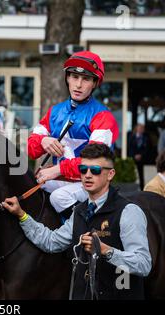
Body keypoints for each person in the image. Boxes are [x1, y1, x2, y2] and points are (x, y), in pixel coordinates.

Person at [2, 144, 152, 300]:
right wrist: (22, 215)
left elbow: (143, 264)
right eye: (83, 169)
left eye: (95, 170)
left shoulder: (128, 211)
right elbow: (51, 242)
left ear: (110, 174)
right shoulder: (79, 211)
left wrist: (105, 250)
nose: (87, 175)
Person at [28, 51, 119, 220]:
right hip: (60, 180)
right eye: (74, 77)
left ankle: (85, 238)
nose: (78, 84)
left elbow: (93, 163)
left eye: (85, 79)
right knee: (28, 190)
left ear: (94, 83)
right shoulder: (54, 112)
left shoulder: (103, 117)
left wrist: (57, 170)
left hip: (91, 183)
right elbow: (31, 150)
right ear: (67, 78)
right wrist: (43, 141)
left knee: (59, 197)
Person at [127, 124, 149, 190]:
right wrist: (134, 156)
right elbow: (129, 148)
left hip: (141, 159)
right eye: (139, 128)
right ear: (136, 129)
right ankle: (131, 188)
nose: (141, 129)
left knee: (141, 175)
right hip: (133, 158)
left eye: (142, 128)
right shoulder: (131, 137)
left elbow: (147, 149)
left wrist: (141, 155)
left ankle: (142, 188)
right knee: (132, 173)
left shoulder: (145, 138)